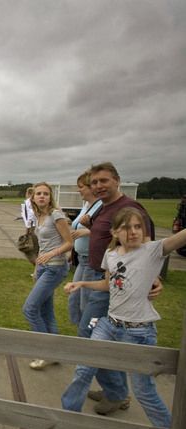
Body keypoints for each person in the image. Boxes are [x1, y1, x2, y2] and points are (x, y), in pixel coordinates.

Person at [61, 207, 184, 428]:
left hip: (139, 332)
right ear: (116, 232)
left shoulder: (152, 250)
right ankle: (67, 417)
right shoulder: (111, 255)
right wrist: (82, 283)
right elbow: (108, 284)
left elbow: (179, 238)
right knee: (83, 369)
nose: (134, 231)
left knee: (143, 391)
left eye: (138, 227)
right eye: (127, 227)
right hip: (108, 324)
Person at [77, 161, 159, 415]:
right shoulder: (104, 206)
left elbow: (148, 247)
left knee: (89, 338)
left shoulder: (130, 208)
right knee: (95, 335)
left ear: (117, 180)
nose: (98, 186)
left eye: (104, 181)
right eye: (94, 183)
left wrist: (153, 278)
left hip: (113, 284)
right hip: (97, 273)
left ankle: (117, 394)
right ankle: (113, 388)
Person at [23, 182, 72, 370]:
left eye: (45, 193)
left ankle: (44, 353)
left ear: (50, 196)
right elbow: (43, 245)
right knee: (46, 310)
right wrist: (37, 268)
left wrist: (51, 254)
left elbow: (69, 243)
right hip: (43, 267)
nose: (42, 196)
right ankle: (55, 353)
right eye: (38, 194)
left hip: (55, 267)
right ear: (33, 197)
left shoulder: (56, 215)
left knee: (29, 309)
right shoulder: (40, 216)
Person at [67, 171, 103, 326]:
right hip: (82, 259)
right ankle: (81, 333)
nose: (78, 190)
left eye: (81, 187)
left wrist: (88, 230)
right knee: (74, 298)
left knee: (87, 303)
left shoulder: (101, 206)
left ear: (91, 188)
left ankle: (90, 332)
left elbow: (107, 231)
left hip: (91, 260)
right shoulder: (87, 205)